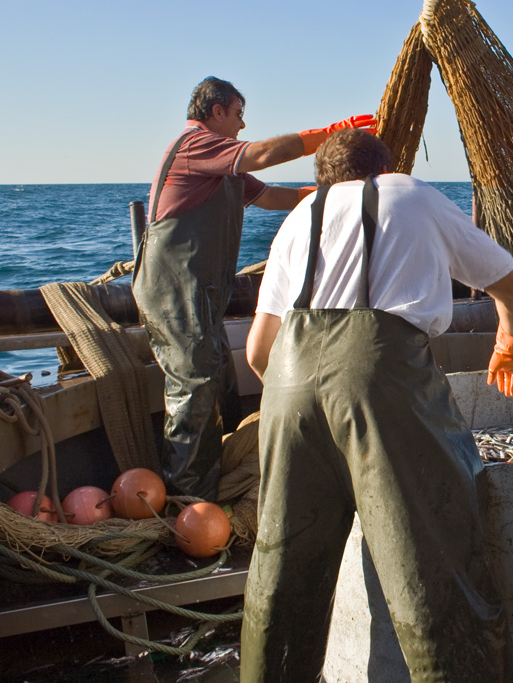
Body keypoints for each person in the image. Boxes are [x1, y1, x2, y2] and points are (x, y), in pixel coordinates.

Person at [240, 128, 513, 682]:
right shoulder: (410, 193)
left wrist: (311, 416)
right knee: (432, 560)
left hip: (286, 386)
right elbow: (510, 288)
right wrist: (508, 347)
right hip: (378, 377)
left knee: (283, 567)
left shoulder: (297, 219)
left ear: (323, 178)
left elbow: (258, 352)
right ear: (383, 168)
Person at [132, 76, 376, 500]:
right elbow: (264, 154)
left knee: (215, 380)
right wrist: (331, 135)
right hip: (173, 290)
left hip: (200, 292)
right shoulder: (195, 145)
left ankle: (214, 481)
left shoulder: (223, 167)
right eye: (239, 114)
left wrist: (336, 192)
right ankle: (190, 503)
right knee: (193, 385)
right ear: (216, 111)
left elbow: (272, 197)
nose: (242, 125)